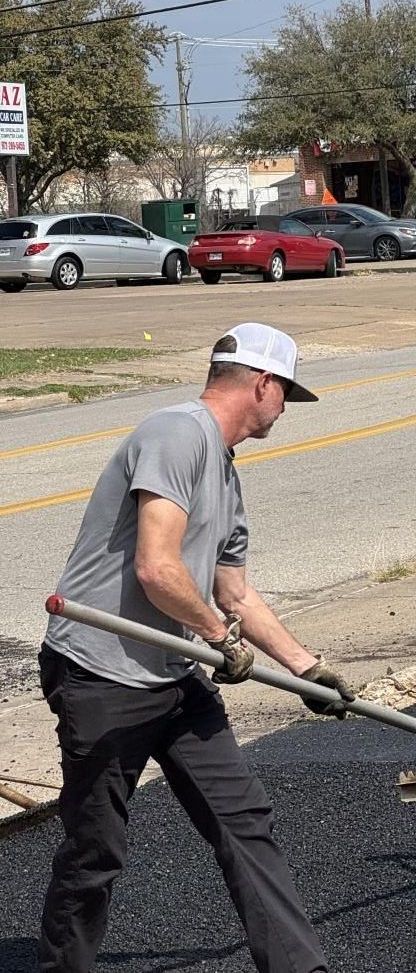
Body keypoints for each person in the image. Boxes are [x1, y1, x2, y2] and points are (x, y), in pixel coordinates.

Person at [38, 322, 355, 973]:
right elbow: (157, 569)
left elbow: (234, 592)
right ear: (261, 384)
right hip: (100, 672)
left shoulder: (227, 475)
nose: (285, 409)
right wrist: (216, 636)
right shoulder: (176, 432)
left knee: (244, 822)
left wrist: (307, 670)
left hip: (175, 676)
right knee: (96, 848)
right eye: (285, 394)